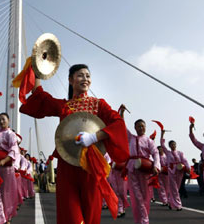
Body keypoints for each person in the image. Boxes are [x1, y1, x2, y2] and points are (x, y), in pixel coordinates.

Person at [20, 64, 129, 224]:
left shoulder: (99, 104)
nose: (85, 78)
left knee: (91, 215)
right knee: (69, 215)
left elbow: (118, 124)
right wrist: (37, 73)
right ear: (70, 80)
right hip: (67, 165)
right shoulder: (64, 105)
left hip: (91, 167)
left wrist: (94, 137)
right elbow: (41, 98)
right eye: (80, 75)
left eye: (88, 76)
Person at [0, 94, 20, 224]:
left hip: (6, 166)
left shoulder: (10, 134)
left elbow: (14, 149)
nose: (1, 121)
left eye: (4, 119)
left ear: (8, 121)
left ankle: (7, 217)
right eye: (0, 120)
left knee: (6, 193)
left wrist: (5, 160)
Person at [160, 129, 189, 211]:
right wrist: (162, 134)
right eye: (171, 144)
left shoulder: (180, 153)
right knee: (174, 188)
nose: (173, 145)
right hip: (171, 171)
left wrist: (188, 168)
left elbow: (185, 160)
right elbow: (162, 145)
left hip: (179, 171)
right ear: (169, 146)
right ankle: (178, 205)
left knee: (177, 187)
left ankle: (170, 201)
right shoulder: (168, 152)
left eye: (174, 144)